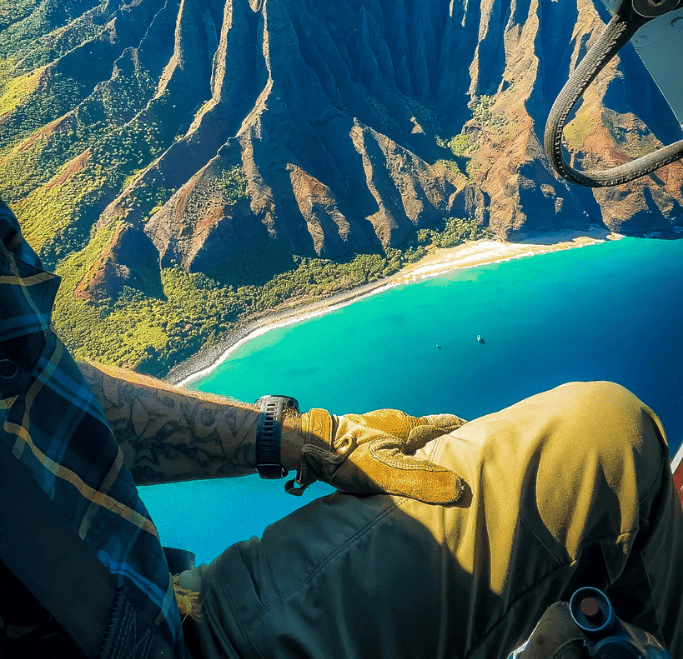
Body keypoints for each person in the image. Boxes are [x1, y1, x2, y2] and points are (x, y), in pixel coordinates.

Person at [0, 199, 681, 659]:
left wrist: (301, 437)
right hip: (176, 640)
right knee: (608, 441)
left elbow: (40, 390)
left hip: (164, 613)